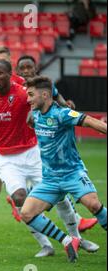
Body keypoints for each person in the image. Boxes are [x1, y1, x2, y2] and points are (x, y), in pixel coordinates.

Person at [0, 61, 98, 258]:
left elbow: (47, 99)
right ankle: (51, 244)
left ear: (9, 75)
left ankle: (77, 238)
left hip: (32, 154)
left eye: (0, 73)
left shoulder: (23, 93)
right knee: (19, 199)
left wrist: (60, 108)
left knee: (60, 196)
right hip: (6, 159)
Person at [21, 76, 107, 262]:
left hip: (72, 173)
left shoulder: (63, 114)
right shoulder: (35, 114)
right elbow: (31, 122)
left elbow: (90, 121)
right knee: (26, 213)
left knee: (93, 205)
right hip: (50, 179)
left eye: (30, 95)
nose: (28, 99)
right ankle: (67, 240)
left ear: (45, 94)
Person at [15, 55, 98, 233]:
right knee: (31, 207)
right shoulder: (18, 91)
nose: (27, 71)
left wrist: (65, 105)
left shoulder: (49, 95)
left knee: (85, 201)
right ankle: (70, 236)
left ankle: (76, 228)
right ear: (18, 71)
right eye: (23, 68)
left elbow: (58, 100)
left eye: (30, 67)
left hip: (60, 160)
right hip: (40, 163)